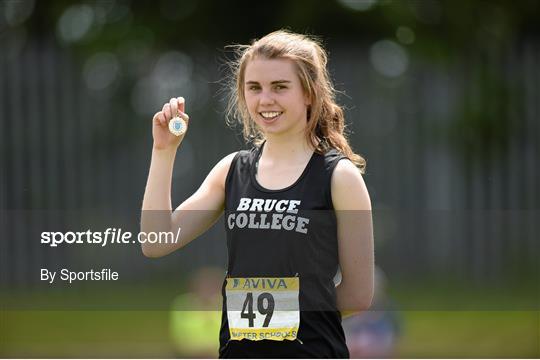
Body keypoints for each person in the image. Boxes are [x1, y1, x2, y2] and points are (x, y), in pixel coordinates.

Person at [141, 30, 374, 358]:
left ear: (309, 93)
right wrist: (163, 152)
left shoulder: (339, 177)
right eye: (254, 88)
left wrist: (290, 311)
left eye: (280, 87)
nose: (265, 100)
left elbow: (358, 295)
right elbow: (155, 241)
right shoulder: (231, 171)